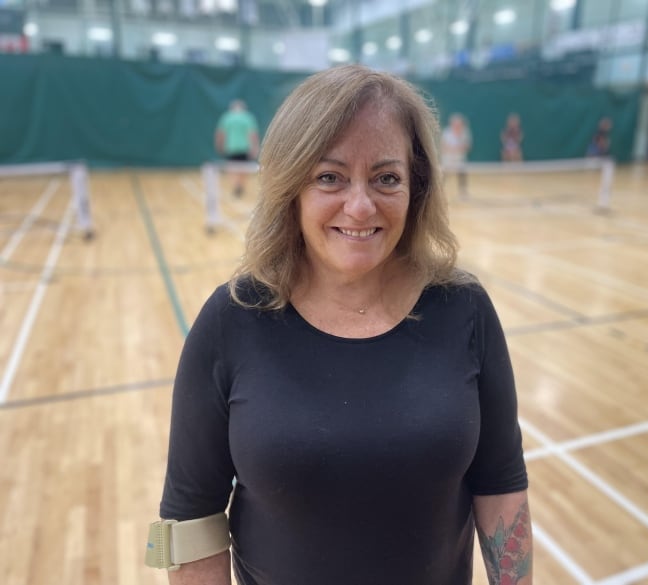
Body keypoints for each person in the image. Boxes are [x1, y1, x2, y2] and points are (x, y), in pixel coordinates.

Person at [154, 65, 532, 585]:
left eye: (386, 178)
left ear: (415, 186)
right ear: (292, 186)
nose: (360, 206)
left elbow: (501, 482)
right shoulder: (231, 320)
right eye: (330, 176)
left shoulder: (464, 309)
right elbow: (191, 516)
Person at [214, 99, 260, 197]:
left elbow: (220, 134)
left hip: (231, 147)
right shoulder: (248, 117)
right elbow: (252, 134)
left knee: (232, 168)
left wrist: (219, 145)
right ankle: (240, 185)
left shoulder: (227, 117)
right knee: (243, 169)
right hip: (244, 148)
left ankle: (236, 185)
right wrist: (255, 148)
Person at [441, 112, 472, 199]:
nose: (457, 125)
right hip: (448, 159)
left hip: (460, 159)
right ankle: (439, 191)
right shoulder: (447, 132)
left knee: (462, 174)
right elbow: (444, 146)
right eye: (455, 123)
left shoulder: (465, 132)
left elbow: (467, 146)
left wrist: (459, 148)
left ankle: (463, 192)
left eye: (459, 124)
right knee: (444, 175)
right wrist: (451, 150)